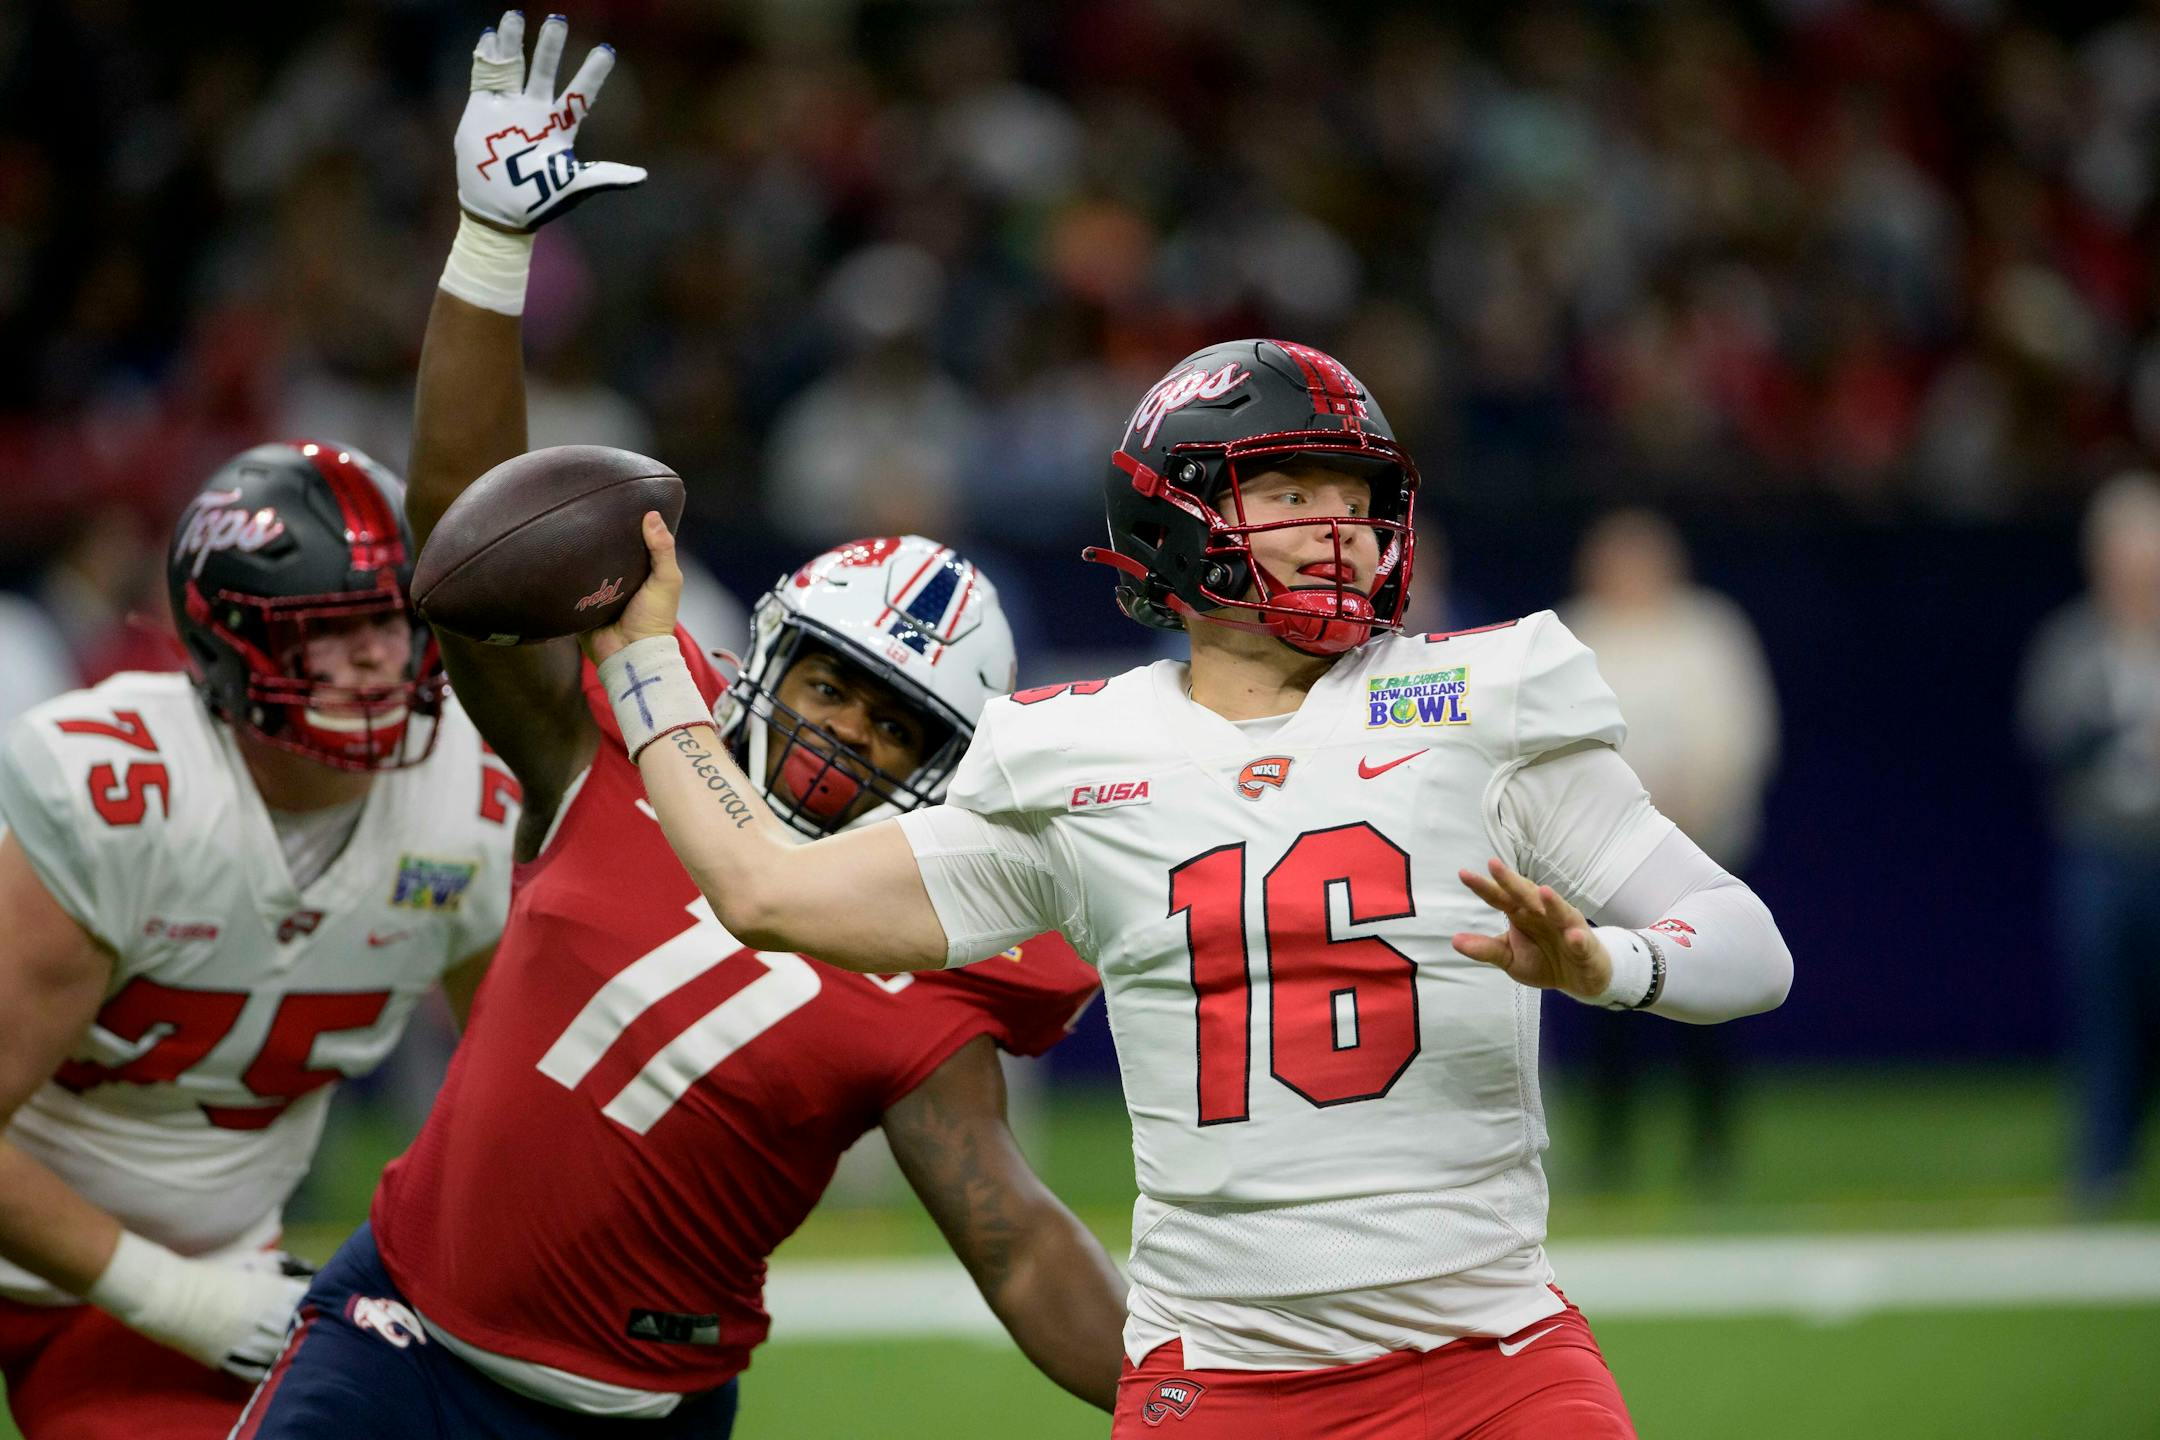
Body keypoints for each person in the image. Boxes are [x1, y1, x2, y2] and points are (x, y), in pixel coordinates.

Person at [591, 339, 1796, 1438]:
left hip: (1496, 1359)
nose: (1339, 525)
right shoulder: (1076, 758)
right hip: (1222, 1379)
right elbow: (765, 892)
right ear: (1175, 520)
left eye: (1356, 493)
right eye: (1288, 492)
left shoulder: (1475, 701)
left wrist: (1609, 964)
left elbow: (1750, 944)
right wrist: (643, 655)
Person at [235, 17, 1123, 1436]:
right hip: (396, 1342)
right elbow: (462, 544)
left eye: (898, 724)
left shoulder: (935, 934)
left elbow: (1012, 1236)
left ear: (948, 762)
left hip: (647, 1411)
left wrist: (1208, 1402)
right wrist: (486, 251)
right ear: (775, 662)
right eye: (834, 684)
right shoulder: (620, 736)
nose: (848, 734)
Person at [0, 440, 516, 1439]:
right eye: (331, 629)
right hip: (155, 1283)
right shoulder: (125, 794)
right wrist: (191, 1303)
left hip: (194, 1278)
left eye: (391, 619)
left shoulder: (470, 802)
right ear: (231, 644)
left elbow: (514, 1088)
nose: (374, 655)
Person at [1564, 509, 1782, 1189]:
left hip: (1698, 851)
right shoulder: (1573, 634)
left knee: (1705, 1010)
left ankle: (1712, 1151)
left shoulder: (1708, 631)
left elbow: (1742, 732)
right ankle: (1608, 1152)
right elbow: (1556, 743)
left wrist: (1691, 801)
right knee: (1607, 1005)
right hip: (1601, 862)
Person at [2020, 471, 2160, 1212]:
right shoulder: (2075, 641)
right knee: (2107, 1016)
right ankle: (2102, 1169)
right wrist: (2118, 734)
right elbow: (2046, 732)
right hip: (2103, 852)